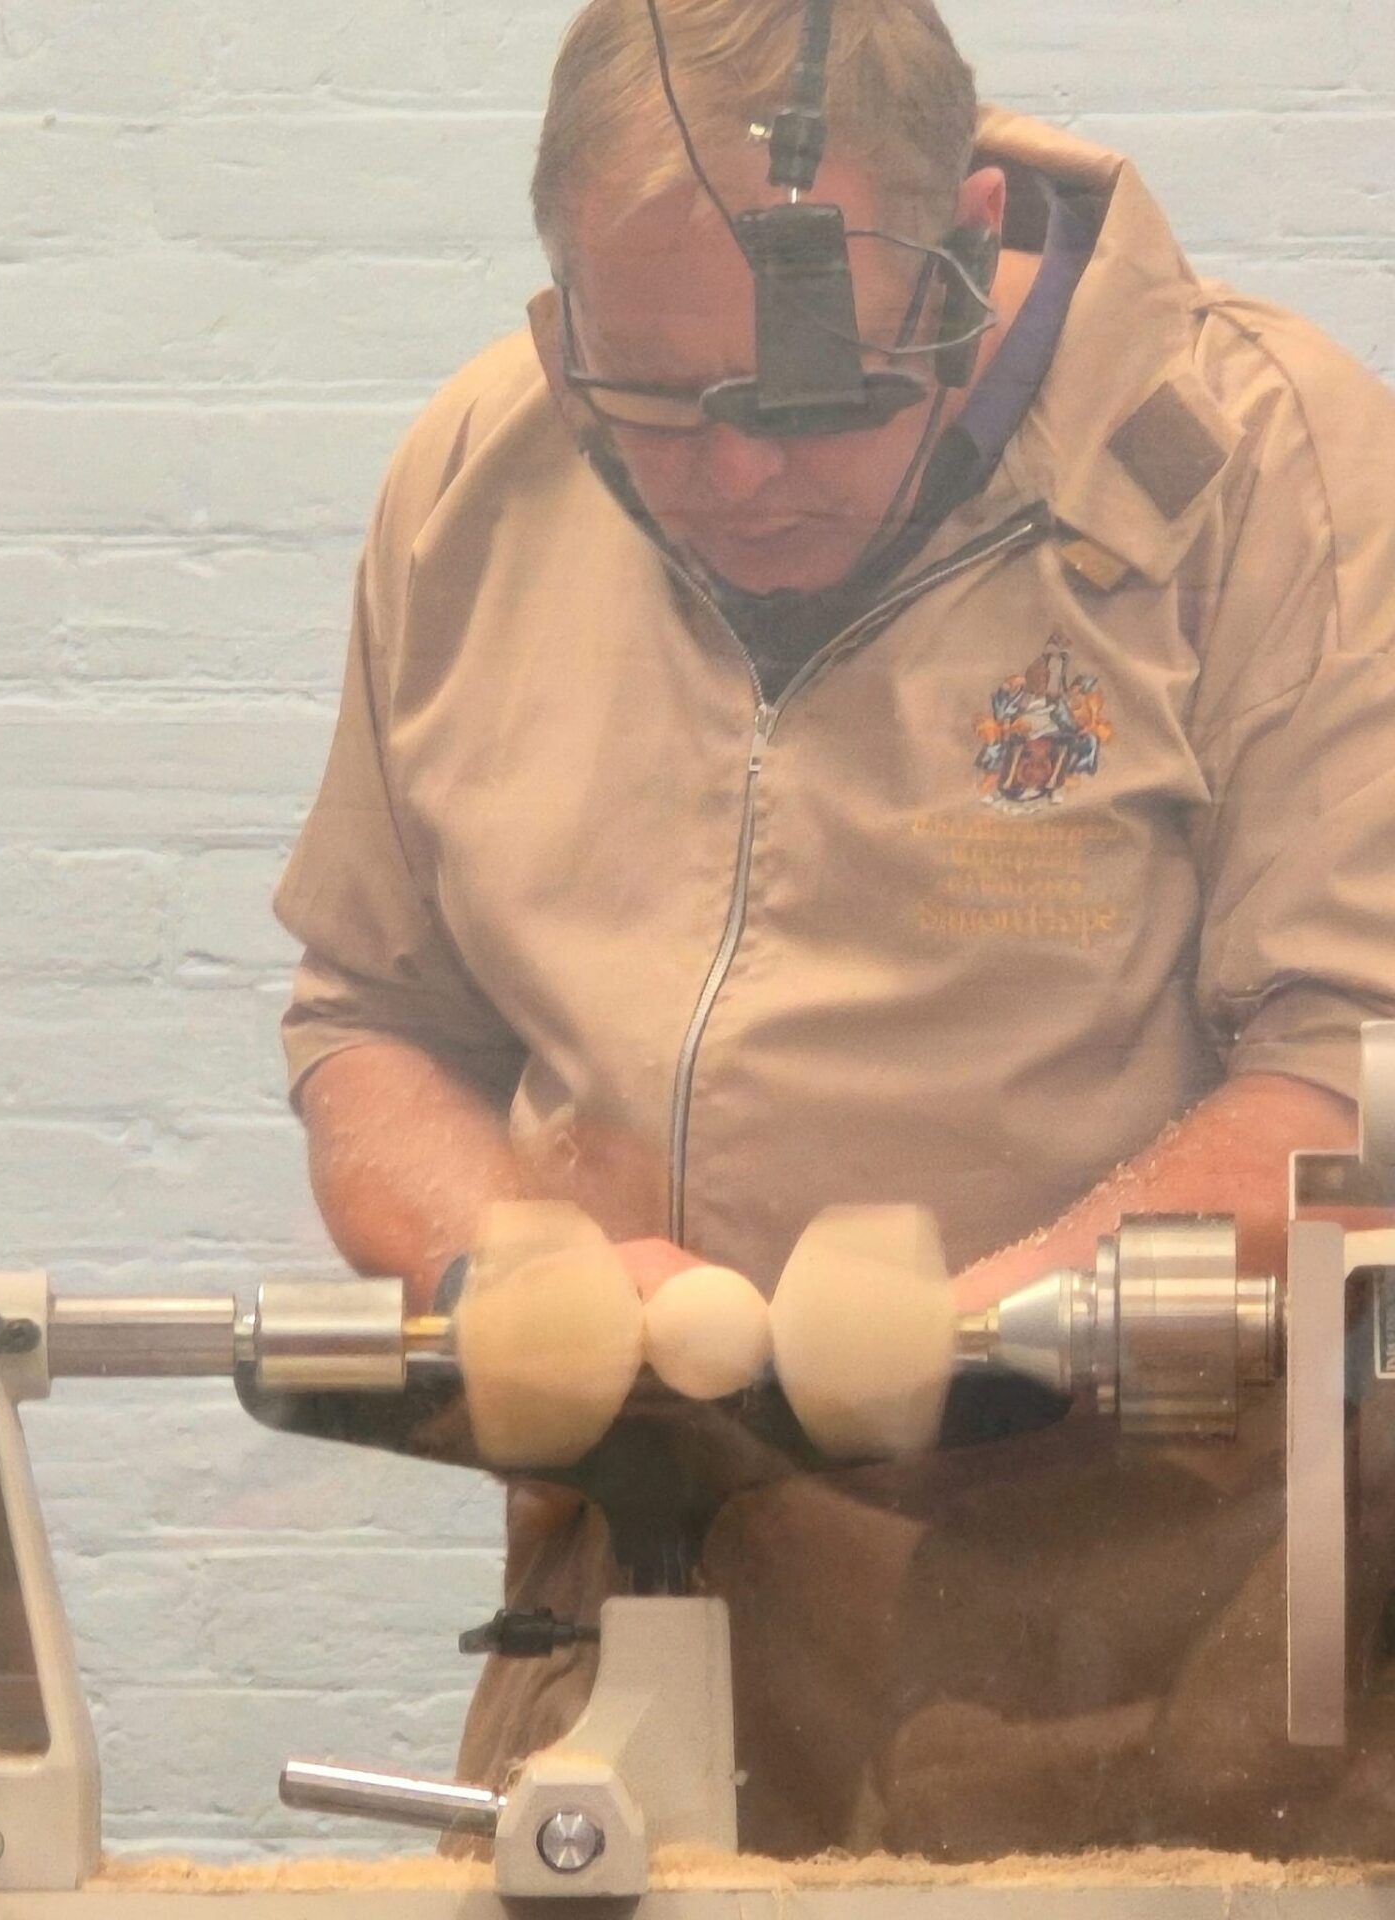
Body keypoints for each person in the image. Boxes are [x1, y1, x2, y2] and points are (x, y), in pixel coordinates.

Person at [273, 0, 1395, 1859]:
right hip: (636, 1634)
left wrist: (972, 1332)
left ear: (965, 239)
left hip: (1148, 1690)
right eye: (652, 398)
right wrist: (526, 1267)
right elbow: (372, 1026)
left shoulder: (1259, 471)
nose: (737, 480)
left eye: (816, 401)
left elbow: (1351, 1072)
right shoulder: (479, 481)